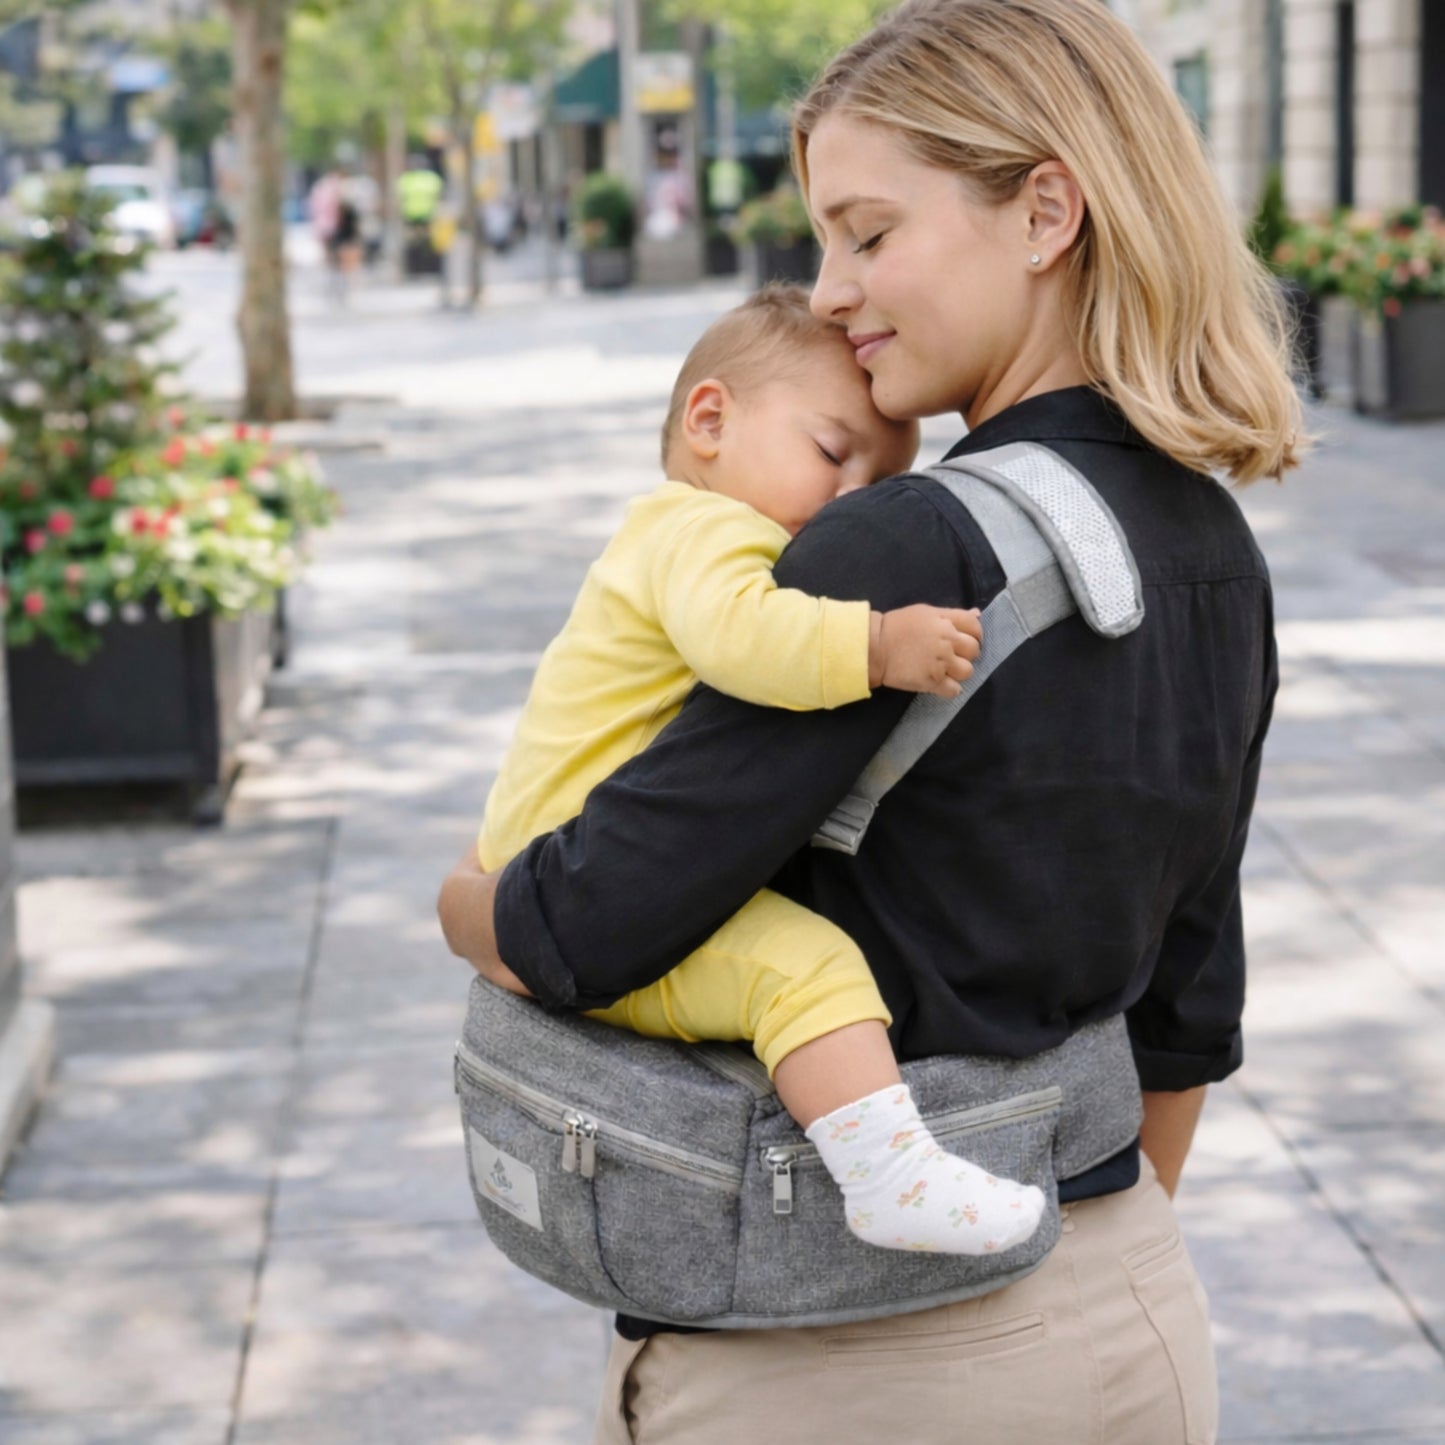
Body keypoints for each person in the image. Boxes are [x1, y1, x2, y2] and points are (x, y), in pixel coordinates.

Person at [439, 0, 1299, 1439]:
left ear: (1043, 212)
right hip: (1132, 1304)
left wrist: (462, 903)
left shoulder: (892, 552)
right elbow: (1188, 999)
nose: (828, 288)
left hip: (853, 1358)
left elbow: (583, 929)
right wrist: (1075, 1265)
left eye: (867, 231)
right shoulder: (1213, 548)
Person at [477, 284, 1044, 1258]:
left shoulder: (667, 530)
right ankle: (886, 1171)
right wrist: (874, 641)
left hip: (555, 858)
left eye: (877, 481)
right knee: (806, 968)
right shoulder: (703, 531)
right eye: (831, 452)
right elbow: (743, 639)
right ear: (709, 418)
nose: (849, 499)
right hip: (579, 879)